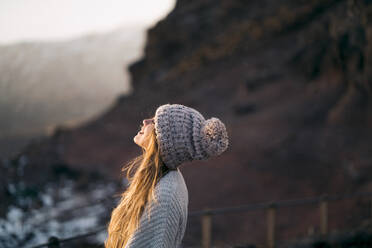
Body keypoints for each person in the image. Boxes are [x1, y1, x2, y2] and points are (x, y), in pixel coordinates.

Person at [104, 103, 229, 248]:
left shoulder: (165, 195)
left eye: (154, 121)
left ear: (163, 140)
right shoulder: (161, 180)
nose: (145, 122)